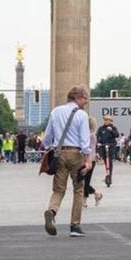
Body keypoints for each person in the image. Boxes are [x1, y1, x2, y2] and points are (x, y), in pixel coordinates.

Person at [40, 86, 95, 238]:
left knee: (59, 189)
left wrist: (47, 148)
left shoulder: (55, 111)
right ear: (77, 97)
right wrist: (87, 160)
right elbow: (85, 140)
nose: (86, 102)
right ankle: (75, 226)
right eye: (85, 98)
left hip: (59, 153)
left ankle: (52, 211)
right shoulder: (81, 115)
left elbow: (47, 136)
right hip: (76, 153)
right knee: (78, 189)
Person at [95, 116, 118, 188]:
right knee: (105, 161)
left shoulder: (113, 128)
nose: (106, 121)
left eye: (108, 120)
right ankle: (107, 173)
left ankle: (109, 177)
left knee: (110, 162)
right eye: (105, 120)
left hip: (111, 146)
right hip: (103, 146)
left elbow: (117, 135)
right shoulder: (101, 129)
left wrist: (111, 130)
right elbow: (98, 137)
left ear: (111, 121)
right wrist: (98, 143)